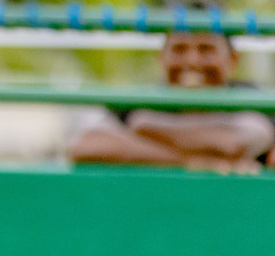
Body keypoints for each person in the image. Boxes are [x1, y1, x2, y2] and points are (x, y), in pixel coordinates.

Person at [70, 20, 273, 172]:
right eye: (179, 49)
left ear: (232, 59)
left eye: (206, 49)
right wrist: (191, 161)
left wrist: (147, 129)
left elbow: (235, 143)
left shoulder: (253, 99)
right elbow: (87, 146)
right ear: (161, 58)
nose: (192, 61)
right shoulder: (143, 99)